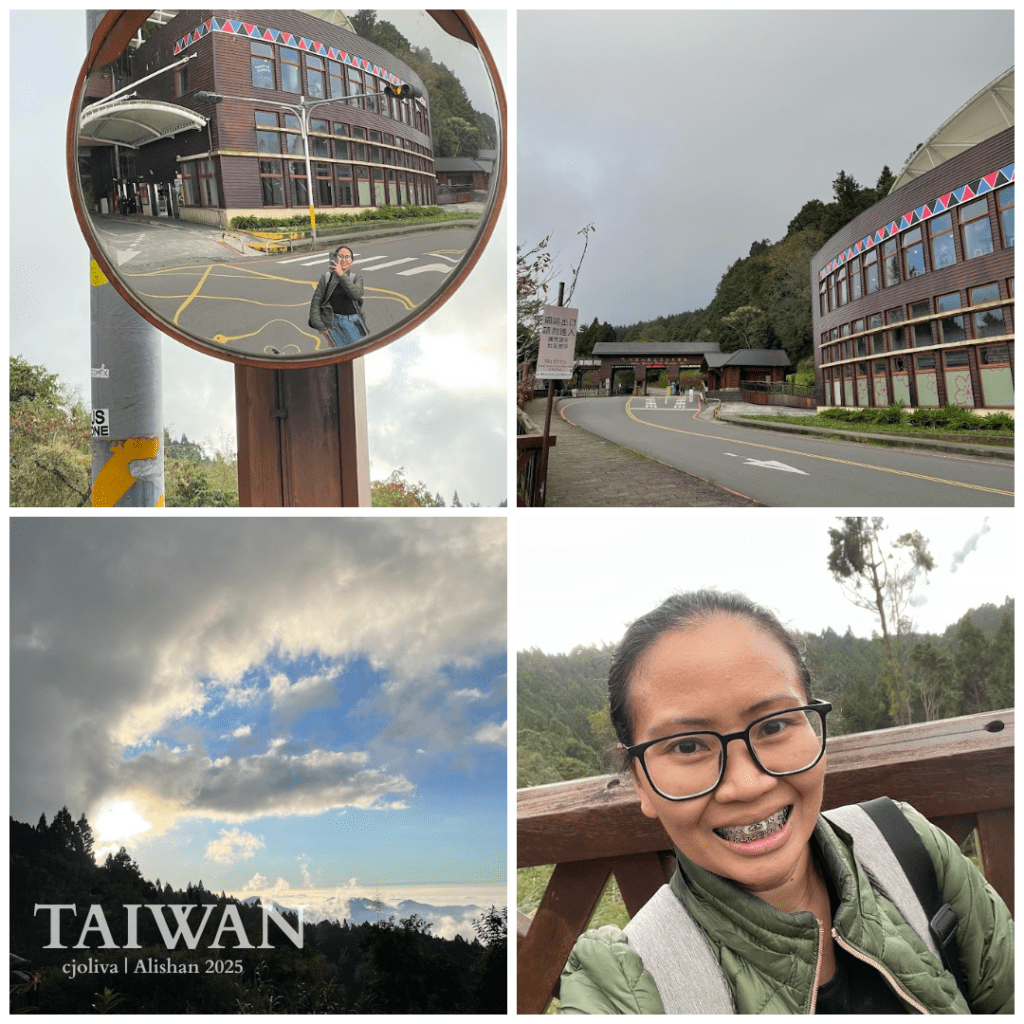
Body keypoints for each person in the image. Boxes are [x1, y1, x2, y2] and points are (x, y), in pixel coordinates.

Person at [558, 590, 1013, 1014]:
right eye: (687, 746)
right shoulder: (618, 984)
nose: (746, 784)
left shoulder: (908, 844)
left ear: (813, 725)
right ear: (639, 780)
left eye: (773, 726)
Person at [308, 245, 368, 348]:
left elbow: (356, 294)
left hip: (353, 323)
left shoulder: (356, 278)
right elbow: (316, 303)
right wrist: (320, 326)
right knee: (338, 356)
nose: (344, 259)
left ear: (352, 261)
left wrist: (341, 274)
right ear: (335, 258)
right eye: (340, 256)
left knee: (359, 354)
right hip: (334, 324)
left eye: (347, 257)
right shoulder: (326, 278)